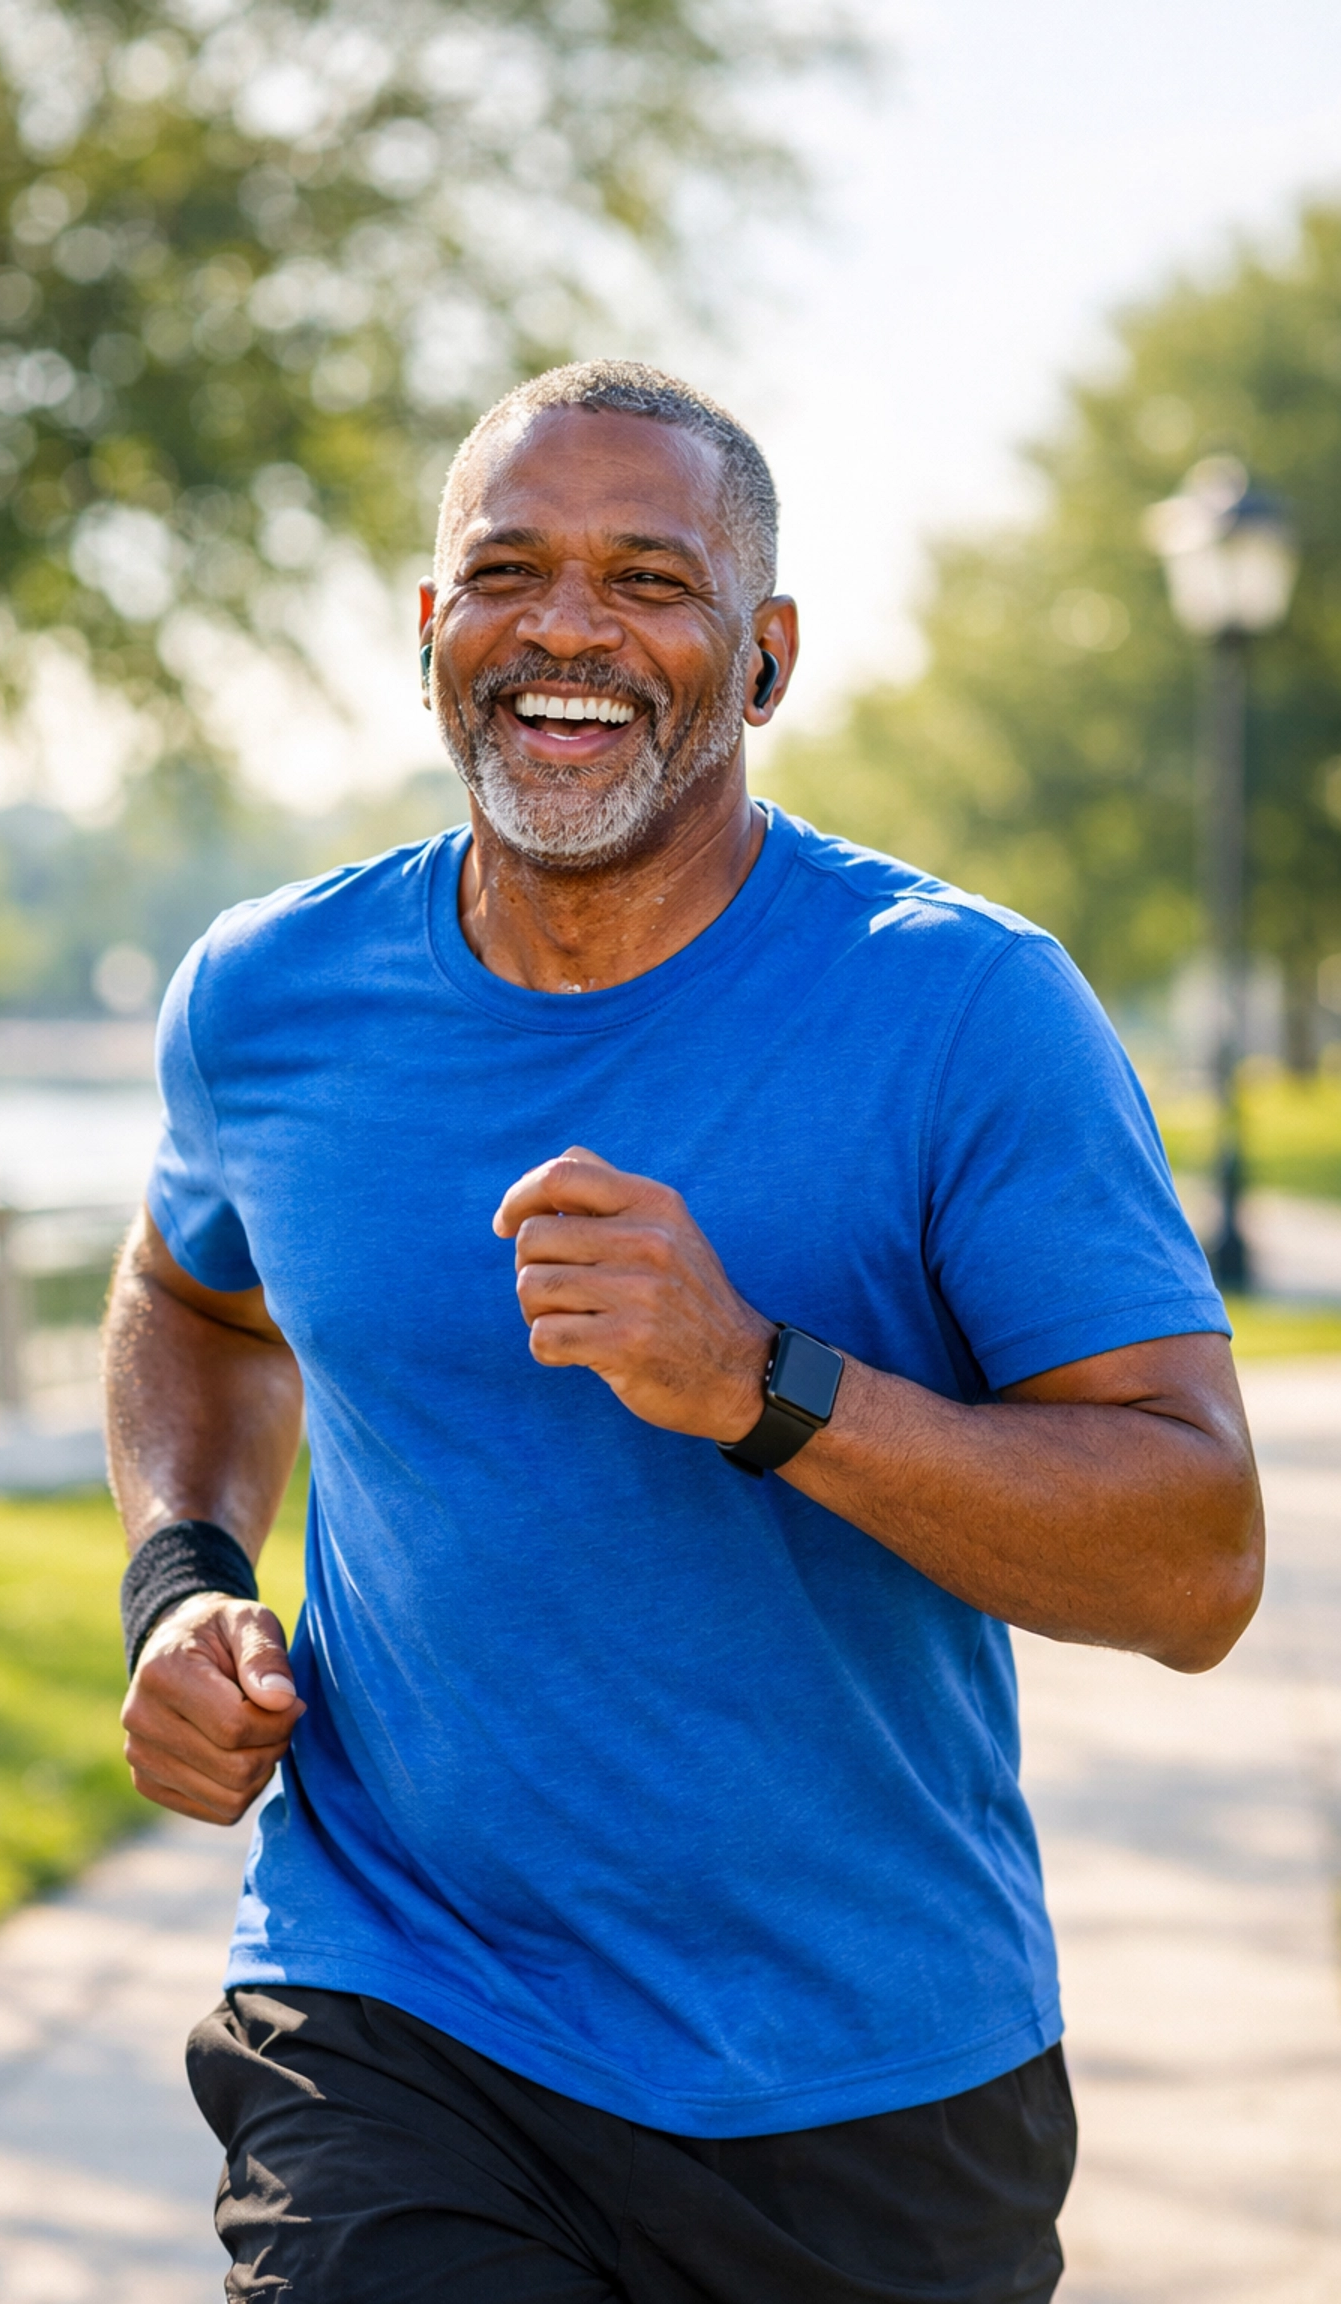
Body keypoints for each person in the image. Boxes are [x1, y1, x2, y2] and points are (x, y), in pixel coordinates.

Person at [105, 360, 1263, 2304]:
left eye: (649, 578)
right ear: (430, 631)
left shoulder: (965, 1011)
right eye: (507, 571)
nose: (565, 626)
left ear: (766, 656)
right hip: (399, 2006)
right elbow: (192, 1299)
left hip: (867, 2082)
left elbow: (1197, 1562)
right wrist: (178, 1580)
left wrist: (765, 1385)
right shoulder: (269, 996)